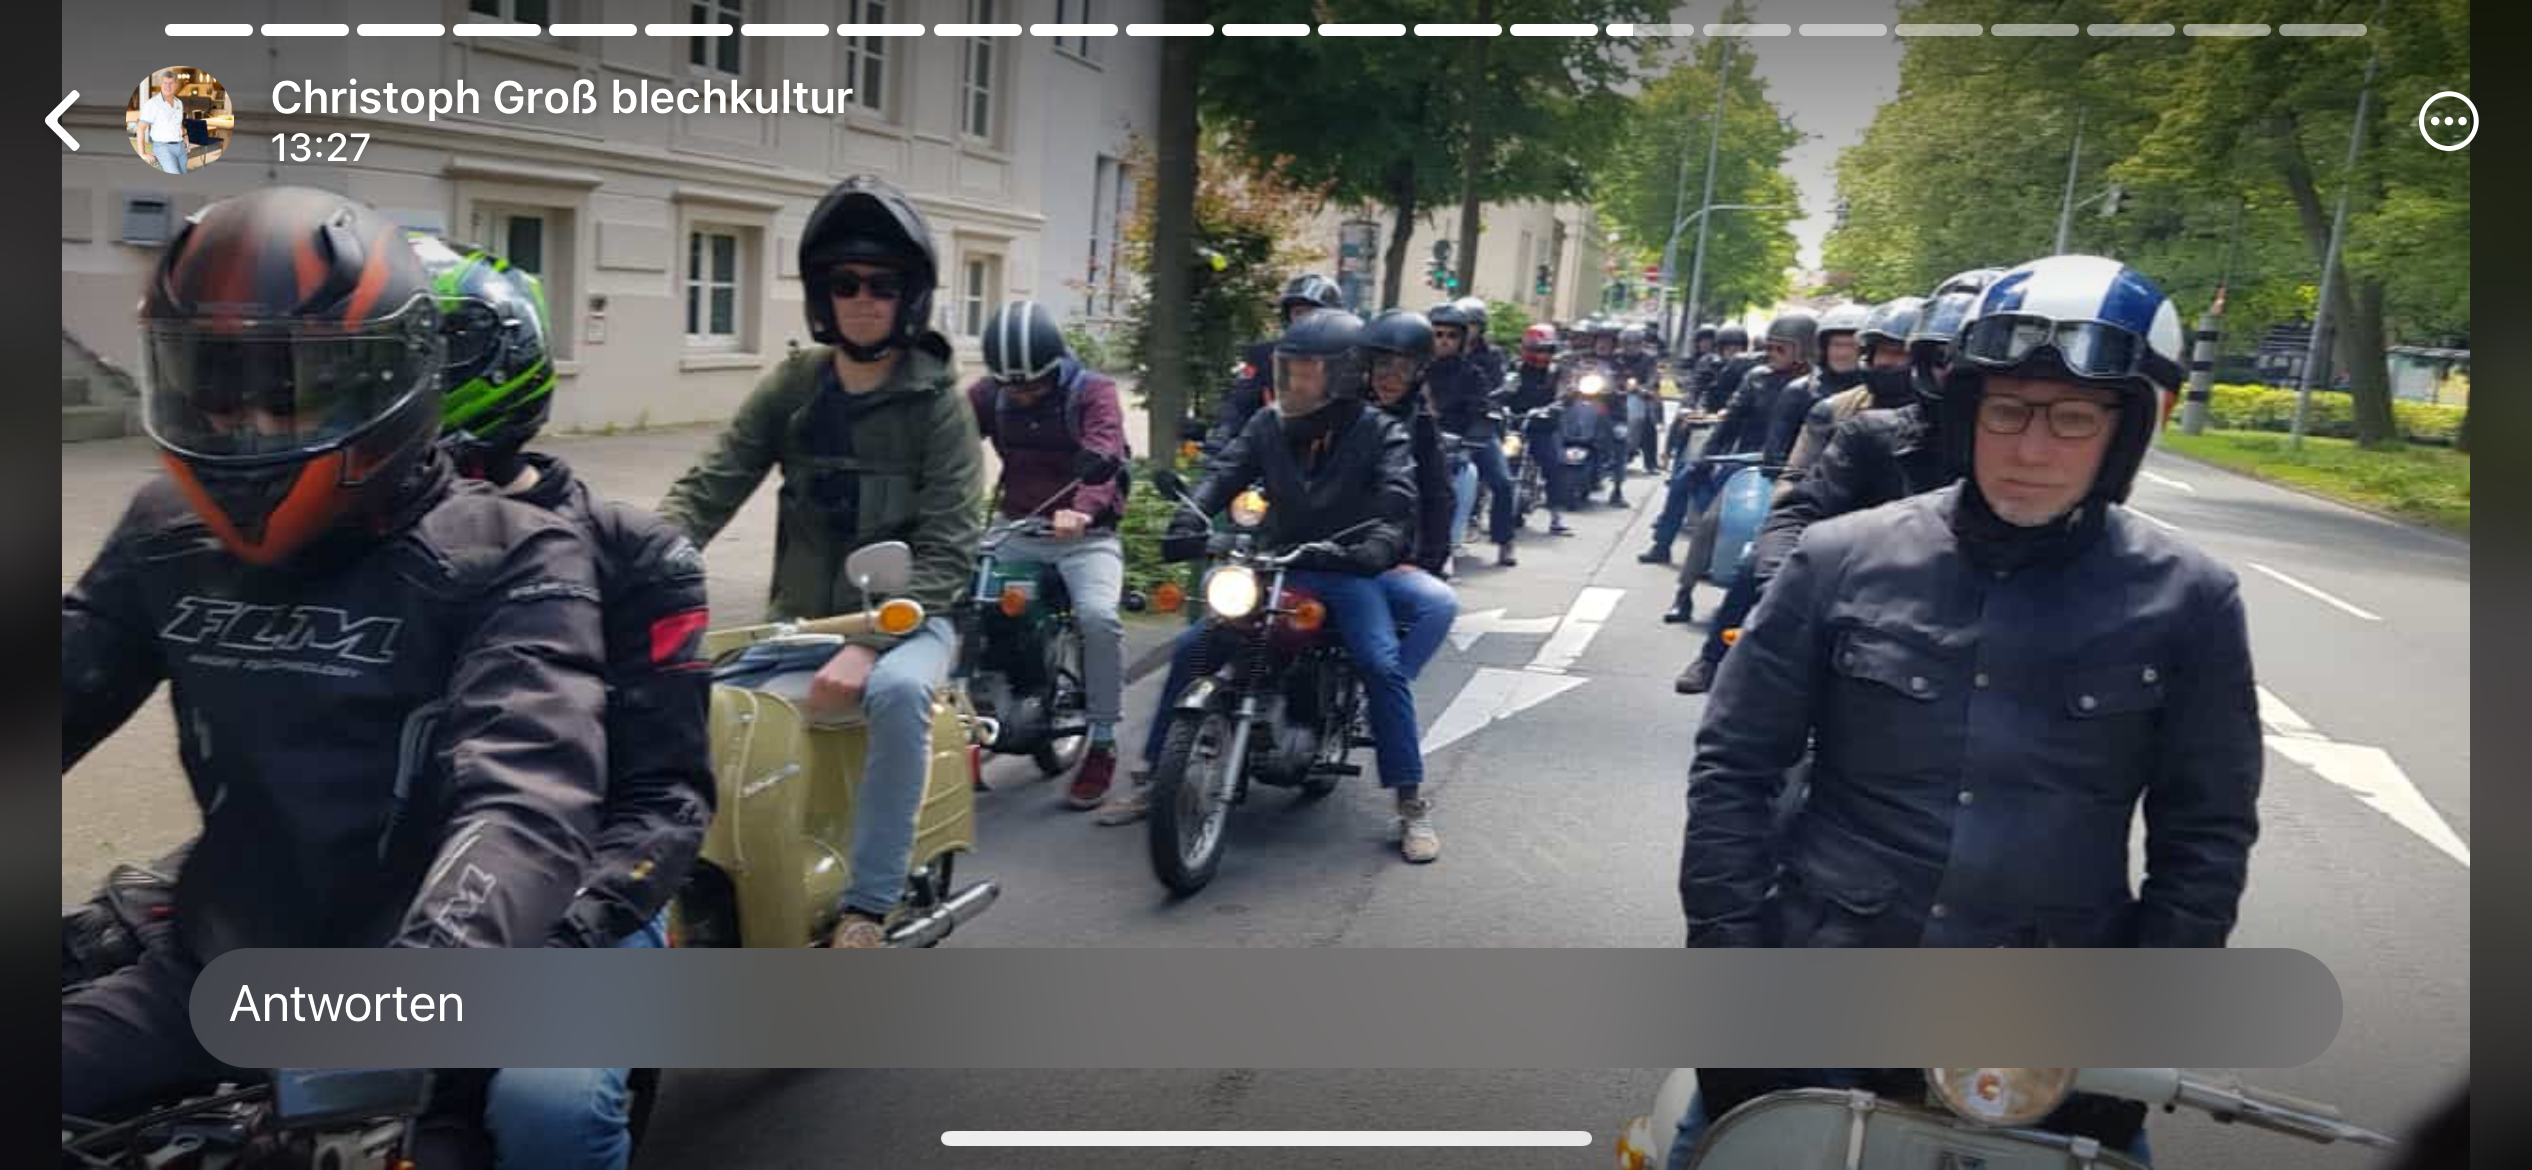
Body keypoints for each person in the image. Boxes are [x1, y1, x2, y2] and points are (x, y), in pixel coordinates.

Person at [1669, 257, 2250, 1164]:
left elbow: (2205, 835)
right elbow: (1734, 770)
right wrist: (1731, 962)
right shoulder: (1838, 559)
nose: (2031, 449)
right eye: (2008, 410)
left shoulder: (2192, 600)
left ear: (2127, 430)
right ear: (1968, 410)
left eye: (2074, 418)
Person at [61, 188, 609, 1129]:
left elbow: (527, 799)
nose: (245, 424)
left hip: (418, 995)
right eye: (213, 385)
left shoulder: (511, 554)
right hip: (216, 971)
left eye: (287, 391)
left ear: (386, 380)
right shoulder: (166, 532)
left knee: (541, 1122)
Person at [406, 235, 713, 1170]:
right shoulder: (349, 545)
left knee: (549, 1108)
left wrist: (562, 937)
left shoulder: (637, 558)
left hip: (581, 890)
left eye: (416, 358)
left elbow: (666, 796)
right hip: (394, 889)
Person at [657, 175, 984, 949]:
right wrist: (643, 557)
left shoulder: (939, 406)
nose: (862, 299)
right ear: (821, 295)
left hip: (910, 624)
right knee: (687, 703)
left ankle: (867, 905)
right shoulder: (796, 386)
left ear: (910, 296)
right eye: (845, 283)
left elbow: (949, 548)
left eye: (882, 284)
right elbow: (711, 484)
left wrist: (870, 642)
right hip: (797, 625)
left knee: (898, 695)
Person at [1098, 311, 1446, 864]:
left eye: (1308, 374)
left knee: (1381, 665)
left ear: (1342, 375)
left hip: (1344, 568)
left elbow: (1398, 495)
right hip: (1274, 562)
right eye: (1291, 372)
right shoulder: (1269, 423)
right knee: (1193, 649)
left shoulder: (1382, 431)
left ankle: (1410, 802)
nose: (1295, 385)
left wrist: (1380, 543)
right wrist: (1192, 515)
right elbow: (1226, 471)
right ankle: (1155, 776)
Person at [1672, 297, 1924, 694]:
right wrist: (1782, 541)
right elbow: (1793, 474)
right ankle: (1711, 657)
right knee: (1750, 561)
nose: (1890, 363)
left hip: (1904, 535)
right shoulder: (1828, 406)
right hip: (1826, 517)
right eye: (1882, 352)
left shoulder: (1944, 416)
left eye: (1902, 353)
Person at [965, 299, 1131, 810]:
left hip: (1086, 536)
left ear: (1055, 364)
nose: (1022, 394)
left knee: (1099, 618)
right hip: (1017, 527)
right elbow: (947, 440)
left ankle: (1102, 742)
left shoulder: (1093, 392)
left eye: (1033, 385)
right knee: (959, 603)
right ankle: (968, 721)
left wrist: (1083, 509)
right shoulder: (989, 394)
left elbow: (1107, 451)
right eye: (1011, 387)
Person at [1640, 309, 1814, 617]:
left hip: (1798, 472)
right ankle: (1683, 591)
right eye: (1770, 346)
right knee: (1711, 520)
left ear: (1805, 349)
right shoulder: (1756, 377)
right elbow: (1730, 420)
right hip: (1749, 464)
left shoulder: (1817, 387)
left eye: (1781, 348)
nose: (1771, 354)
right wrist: (1707, 456)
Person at [1359, 309, 1464, 672]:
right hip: (1322, 552)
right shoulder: (1338, 409)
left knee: (1439, 606)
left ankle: (1391, 686)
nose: (1391, 378)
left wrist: (1423, 562)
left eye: (1403, 369)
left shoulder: (1420, 423)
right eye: (1383, 365)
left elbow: (1437, 496)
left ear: (1418, 373)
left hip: (1388, 557)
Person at [1428, 301, 1519, 569]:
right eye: (1438, 334)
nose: (1444, 341)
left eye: (1452, 335)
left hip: (1465, 438)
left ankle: (1504, 540)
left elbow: (1483, 408)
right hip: (1426, 437)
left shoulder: (1474, 371)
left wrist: (1472, 438)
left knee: (1502, 481)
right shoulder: (1415, 369)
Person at [1214, 273, 1346, 450]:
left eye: (1312, 313)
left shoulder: (1350, 357)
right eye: (1298, 313)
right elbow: (1240, 404)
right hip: (1273, 449)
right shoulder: (1263, 356)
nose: (1304, 320)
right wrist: (1221, 438)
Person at [1504, 322, 1575, 537]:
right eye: (1536, 349)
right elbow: (1502, 389)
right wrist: (1500, 404)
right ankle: (1478, 511)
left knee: (1554, 466)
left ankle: (1556, 517)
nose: (1541, 355)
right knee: (1495, 462)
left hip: (1543, 426)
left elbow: (1564, 393)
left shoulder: (1556, 372)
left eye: (1546, 350)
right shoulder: (1514, 368)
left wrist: (1555, 406)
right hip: (1515, 426)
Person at [1619, 324, 1664, 473]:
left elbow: (1653, 378)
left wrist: (1643, 388)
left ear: (1641, 343)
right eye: (1627, 343)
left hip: (1639, 396)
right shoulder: (1617, 357)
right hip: (1615, 396)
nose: (1631, 346)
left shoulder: (1649, 359)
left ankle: (1651, 463)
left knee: (1648, 423)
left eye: (1635, 343)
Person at [132, 72, 190, 175]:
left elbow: (178, 123)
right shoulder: (152, 104)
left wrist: (185, 136)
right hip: (163, 148)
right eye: (165, 83)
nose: (167, 86)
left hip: (180, 147)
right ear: (161, 84)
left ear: (176, 85)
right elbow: (141, 128)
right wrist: (142, 153)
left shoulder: (179, 103)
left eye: (171, 83)